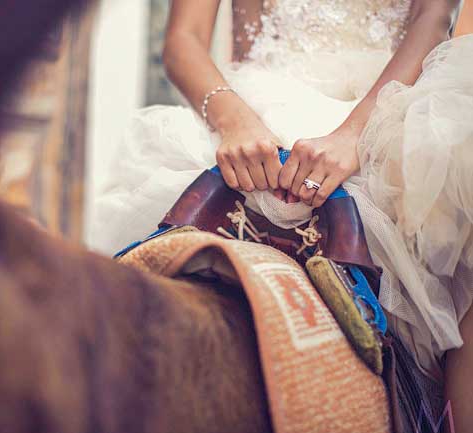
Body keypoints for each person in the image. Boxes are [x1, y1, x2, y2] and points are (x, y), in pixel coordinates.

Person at [91, 1, 472, 431]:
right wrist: (234, 122)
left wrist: (354, 136)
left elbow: (433, 18)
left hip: (379, 113)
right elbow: (184, 38)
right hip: (253, 108)